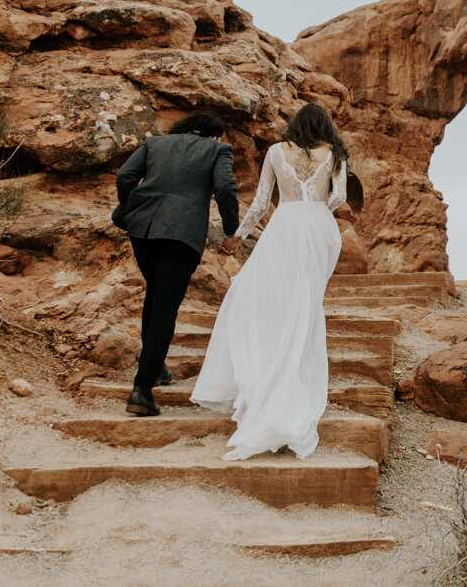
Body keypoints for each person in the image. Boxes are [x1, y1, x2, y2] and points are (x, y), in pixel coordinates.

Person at [191, 103, 348, 460]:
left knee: (270, 298)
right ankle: (294, 372)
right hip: (320, 229)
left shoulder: (277, 152)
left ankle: (267, 371)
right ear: (324, 125)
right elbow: (338, 197)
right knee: (306, 302)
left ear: (295, 124)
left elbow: (262, 202)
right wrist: (318, 207)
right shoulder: (334, 152)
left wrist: (239, 237)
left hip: (285, 227)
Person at [112, 111, 240, 417]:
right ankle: (141, 391)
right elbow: (224, 187)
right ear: (214, 135)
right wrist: (231, 229)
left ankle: (155, 368)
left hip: (142, 229)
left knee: (155, 296)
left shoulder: (155, 143)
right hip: (181, 235)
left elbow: (124, 176)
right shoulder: (218, 150)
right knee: (165, 307)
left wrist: (131, 208)